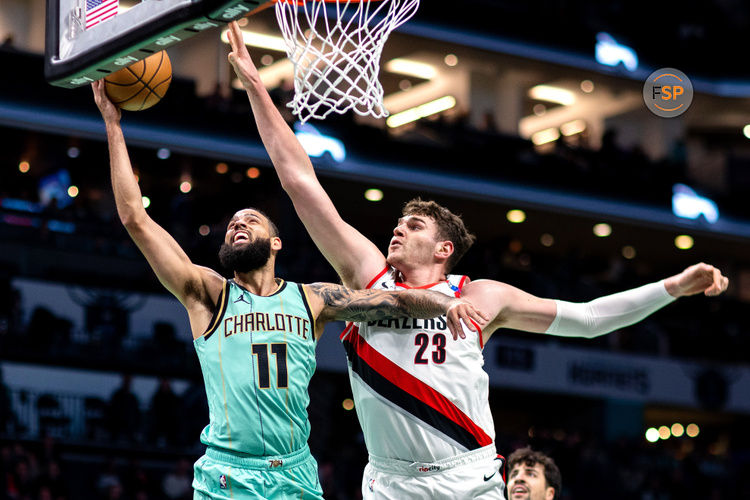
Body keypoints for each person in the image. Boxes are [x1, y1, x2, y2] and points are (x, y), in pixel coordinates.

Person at [224, 20, 730, 500]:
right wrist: (255, 87)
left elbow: (590, 319)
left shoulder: (480, 295)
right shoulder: (366, 274)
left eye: (414, 226)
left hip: (468, 476)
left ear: (444, 249)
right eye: (398, 223)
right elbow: (299, 180)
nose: (397, 228)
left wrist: (674, 287)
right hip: (390, 483)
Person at [91, 79, 486, 500]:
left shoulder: (312, 298)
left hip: (296, 472)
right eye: (232, 225)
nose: (237, 225)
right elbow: (135, 218)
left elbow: (395, 299)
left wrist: (446, 304)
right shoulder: (207, 293)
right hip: (230, 473)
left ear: (276, 242)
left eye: (250, 220)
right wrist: (114, 126)